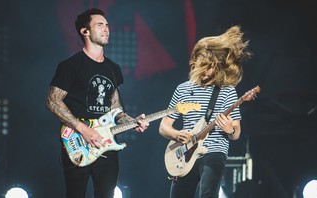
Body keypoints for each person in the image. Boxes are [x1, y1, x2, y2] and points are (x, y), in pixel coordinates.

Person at [46, 8, 149, 198]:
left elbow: (115, 108)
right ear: (85, 31)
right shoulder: (71, 66)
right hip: (78, 142)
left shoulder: (113, 69)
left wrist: (132, 121)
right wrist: (83, 129)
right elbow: (53, 101)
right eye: (100, 25)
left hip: (107, 143)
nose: (106, 29)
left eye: (107, 25)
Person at [159, 25, 251, 198]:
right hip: (185, 153)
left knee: (208, 193)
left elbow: (236, 132)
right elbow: (164, 126)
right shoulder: (183, 89)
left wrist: (230, 129)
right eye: (201, 65)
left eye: (209, 66)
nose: (205, 70)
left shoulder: (227, 91)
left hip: (214, 152)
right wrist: (177, 134)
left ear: (216, 65)